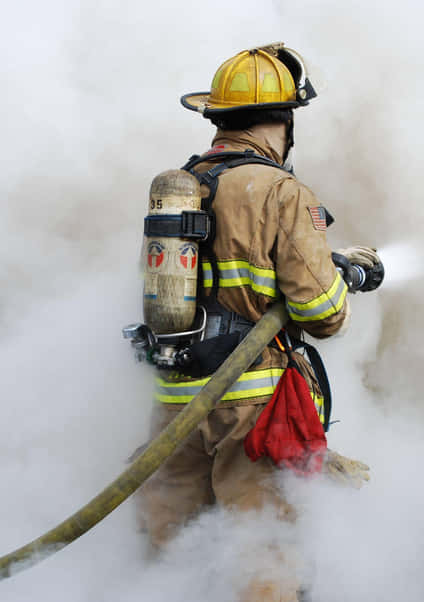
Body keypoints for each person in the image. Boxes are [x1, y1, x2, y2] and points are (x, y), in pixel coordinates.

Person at [137, 43, 380, 602]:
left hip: (175, 405)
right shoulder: (280, 191)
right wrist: (342, 278)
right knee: (263, 557)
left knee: (174, 557)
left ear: (219, 118)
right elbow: (322, 313)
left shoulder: (184, 184)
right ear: (283, 119)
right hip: (250, 413)